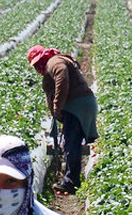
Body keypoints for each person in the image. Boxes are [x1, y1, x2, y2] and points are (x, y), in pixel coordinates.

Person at [27, 45, 98, 195]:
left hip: (77, 105)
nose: (38, 67)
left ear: (44, 57)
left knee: (71, 144)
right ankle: (71, 180)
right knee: (70, 143)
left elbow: (62, 77)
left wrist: (57, 105)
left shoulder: (54, 62)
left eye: (38, 62)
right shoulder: (53, 63)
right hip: (80, 104)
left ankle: (70, 182)